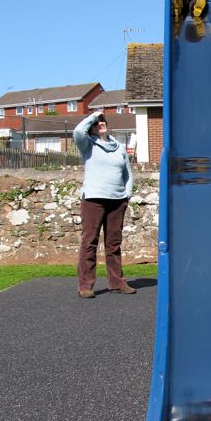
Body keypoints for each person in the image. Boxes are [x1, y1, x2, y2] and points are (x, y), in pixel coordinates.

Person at [73, 111, 135, 298]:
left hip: (117, 201)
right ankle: (85, 286)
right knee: (89, 242)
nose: (101, 123)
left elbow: (128, 173)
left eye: (103, 121)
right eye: (97, 123)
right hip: (93, 199)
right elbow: (77, 131)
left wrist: (127, 195)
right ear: (91, 128)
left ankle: (116, 282)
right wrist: (94, 115)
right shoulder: (87, 144)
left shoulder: (119, 148)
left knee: (114, 243)